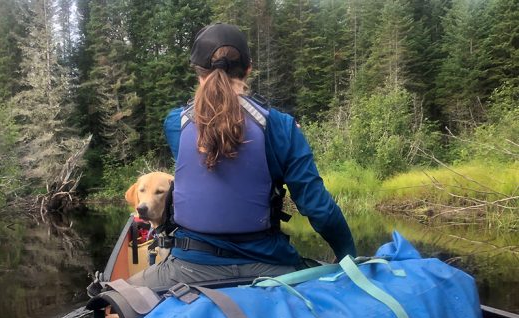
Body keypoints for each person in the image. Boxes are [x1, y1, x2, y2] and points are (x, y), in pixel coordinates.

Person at [128, 23, 355, 289]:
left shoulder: (175, 124)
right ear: (249, 68)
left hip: (187, 268)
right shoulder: (281, 127)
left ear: (197, 71)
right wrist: (349, 259)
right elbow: (320, 210)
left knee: (115, 298)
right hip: (271, 265)